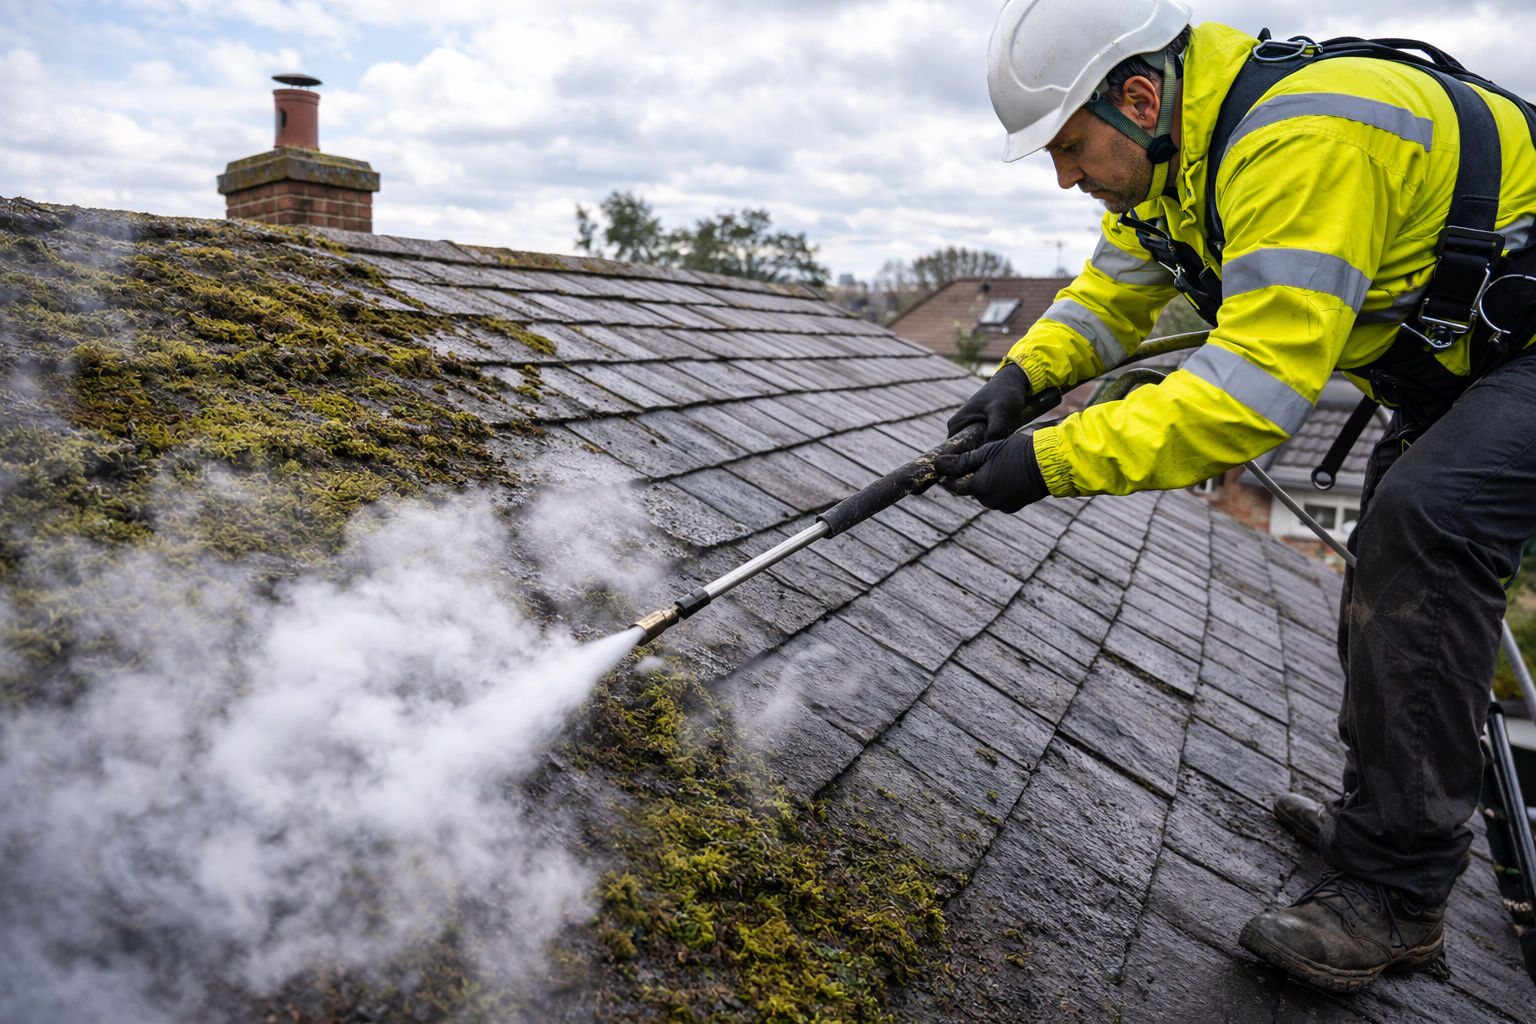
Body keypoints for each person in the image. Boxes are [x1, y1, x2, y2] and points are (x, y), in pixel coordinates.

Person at [938, 0, 1536, 994]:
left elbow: (1248, 398)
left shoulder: (1305, 140)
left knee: (1423, 525)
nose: (1065, 175)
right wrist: (1023, 379)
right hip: (1474, 364)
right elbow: (1115, 292)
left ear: (1138, 95)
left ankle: (1397, 896)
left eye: (1071, 146)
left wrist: (1051, 460)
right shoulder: (1176, 158)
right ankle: (1380, 824)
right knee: (1397, 547)